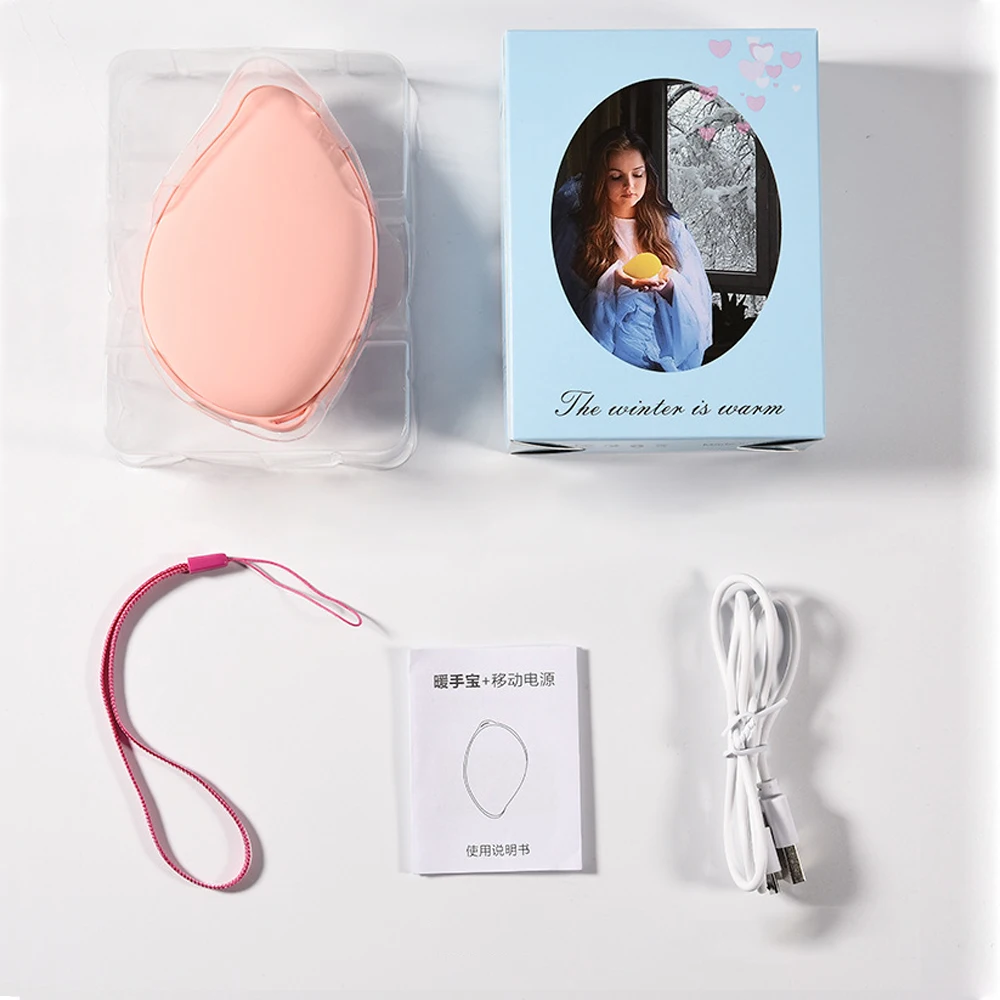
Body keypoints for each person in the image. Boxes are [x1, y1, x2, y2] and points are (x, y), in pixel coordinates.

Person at [552, 126, 713, 371]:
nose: (630, 186)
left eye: (638, 174)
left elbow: (697, 306)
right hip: (606, 366)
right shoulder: (577, 232)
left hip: (662, 361)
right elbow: (565, 310)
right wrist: (613, 283)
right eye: (616, 177)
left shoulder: (669, 228)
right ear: (599, 180)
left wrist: (668, 286)